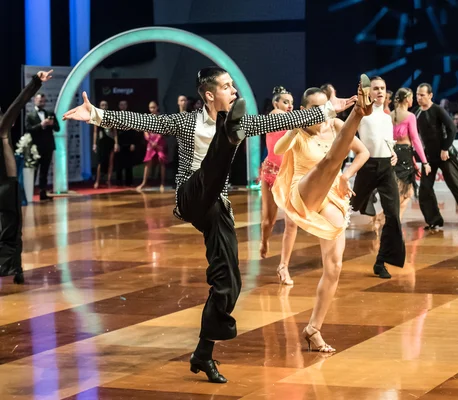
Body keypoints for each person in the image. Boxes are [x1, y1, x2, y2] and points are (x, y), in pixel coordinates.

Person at [62, 66, 355, 384]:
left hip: (217, 207)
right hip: (191, 195)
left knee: (230, 283)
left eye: (234, 86)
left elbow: (279, 120)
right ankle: (225, 139)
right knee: (213, 168)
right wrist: (96, 115)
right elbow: (146, 121)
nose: (234, 91)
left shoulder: (243, 121)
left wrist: (327, 109)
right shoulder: (184, 122)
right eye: (228, 87)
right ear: (209, 94)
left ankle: (203, 353)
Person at [272, 79, 371, 352]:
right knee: (329, 163)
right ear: (305, 110)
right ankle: (359, 112)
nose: (318, 113)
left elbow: (363, 152)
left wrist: (346, 177)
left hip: (332, 197)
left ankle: (313, 329)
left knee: (334, 268)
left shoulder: (334, 126)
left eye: (322, 107)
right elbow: (279, 150)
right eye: (313, 109)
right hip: (303, 191)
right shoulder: (299, 131)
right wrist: (294, 126)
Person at [0, 70, 54, 284]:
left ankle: (15, 268)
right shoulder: (2, 132)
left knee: (10, 228)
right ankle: (15, 268)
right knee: (12, 228)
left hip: (7, 186)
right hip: (6, 186)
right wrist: (35, 83)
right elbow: (17, 105)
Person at [349, 76, 405, 280]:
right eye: (376, 88)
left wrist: (394, 153)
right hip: (367, 166)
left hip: (386, 169)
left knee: (393, 216)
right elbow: (346, 137)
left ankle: (381, 262)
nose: (380, 91)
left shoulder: (387, 117)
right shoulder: (361, 115)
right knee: (350, 208)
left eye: (383, 88)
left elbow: (387, 141)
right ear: (368, 92)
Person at [414, 83, 458, 231]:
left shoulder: (437, 110)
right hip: (428, 157)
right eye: (417, 94)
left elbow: (452, 129)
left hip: (445, 154)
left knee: (457, 185)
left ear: (430, 95)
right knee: (424, 189)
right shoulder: (416, 113)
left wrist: (445, 148)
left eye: (422, 95)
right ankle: (434, 220)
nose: (419, 98)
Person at [259, 86, 297, 285]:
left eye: (291, 102)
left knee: (292, 223)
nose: (289, 106)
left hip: (290, 174)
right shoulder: (273, 117)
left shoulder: (291, 120)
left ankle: (284, 266)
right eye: (285, 102)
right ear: (276, 104)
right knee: (269, 222)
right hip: (271, 173)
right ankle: (264, 240)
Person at [391, 88, 430, 221]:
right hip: (405, 156)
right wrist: (424, 162)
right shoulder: (410, 116)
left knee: (401, 192)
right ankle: (387, 220)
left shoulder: (390, 115)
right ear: (407, 99)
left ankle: (395, 222)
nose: (413, 100)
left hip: (393, 154)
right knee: (405, 193)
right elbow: (415, 140)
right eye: (412, 97)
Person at [25, 92, 59, 201]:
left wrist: (51, 124)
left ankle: (42, 192)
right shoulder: (30, 115)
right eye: (40, 101)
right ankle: (30, 192)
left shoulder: (50, 113)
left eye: (44, 101)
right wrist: (41, 125)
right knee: (34, 170)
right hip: (35, 147)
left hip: (48, 146)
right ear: (35, 100)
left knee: (45, 170)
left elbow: (58, 128)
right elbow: (28, 129)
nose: (42, 103)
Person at [137, 101, 167, 192]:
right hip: (150, 142)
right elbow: (145, 132)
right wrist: (150, 141)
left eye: (154, 107)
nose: (152, 109)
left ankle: (162, 183)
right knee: (148, 161)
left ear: (157, 107)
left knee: (161, 160)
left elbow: (162, 131)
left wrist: (156, 141)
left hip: (159, 142)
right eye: (151, 107)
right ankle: (144, 182)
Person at [92, 100, 117, 188]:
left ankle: (109, 180)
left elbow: (114, 131)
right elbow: (95, 132)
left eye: (105, 105)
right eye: (102, 105)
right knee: (100, 162)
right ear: (99, 106)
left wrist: (116, 143)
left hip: (110, 141)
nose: (104, 106)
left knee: (110, 161)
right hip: (101, 141)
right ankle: (97, 181)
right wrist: (94, 144)